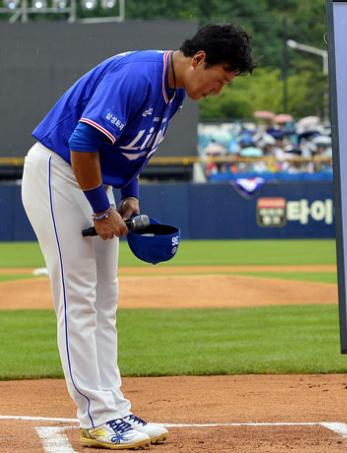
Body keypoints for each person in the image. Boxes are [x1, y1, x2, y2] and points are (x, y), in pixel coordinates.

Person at [21, 24, 255, 450]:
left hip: (93, 181)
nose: (218, 89)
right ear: (198, 59)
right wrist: (101, 208)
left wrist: (128, 200)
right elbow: (83, 140)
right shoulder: (138, 75)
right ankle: (96, 417)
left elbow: (132, 152)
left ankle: (114, 407)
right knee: (79, 298)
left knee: (105, 299)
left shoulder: (174, 91)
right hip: (58, 173)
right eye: (220, 79)